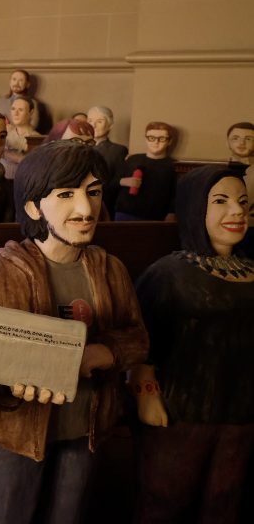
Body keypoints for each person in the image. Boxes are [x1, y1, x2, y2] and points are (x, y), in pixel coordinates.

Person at [0, 140, 148, 524]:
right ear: (32, 206)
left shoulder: (110, 270)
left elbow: (137, 337)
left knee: (67, 515)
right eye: (66, 194)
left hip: (83, 429)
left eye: (93, 192)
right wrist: (9, 377)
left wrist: (99, 354)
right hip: (14, 430)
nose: (85, 208)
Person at [131, 165, 253, 524]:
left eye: (243, 202)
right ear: (195, 208)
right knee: (165, 496)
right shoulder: (168, 274)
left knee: (225, 498)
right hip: (180, 413)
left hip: (241, 414)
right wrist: (146, 393)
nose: (237, 212)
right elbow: (141, 343)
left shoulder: (250, 271)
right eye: (221, 201)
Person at [115, 121, 177, 221]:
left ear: (169, 141)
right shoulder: (132, 160)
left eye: (162, 139)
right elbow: (111, 183)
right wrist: (123, 181)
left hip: (154, 217)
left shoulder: (171, 166)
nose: (156, 142)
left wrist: (171, 213)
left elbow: (175, 195)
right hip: (125, 212)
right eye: (151, 138)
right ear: (146, 139)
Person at [87, 106, 128, 216]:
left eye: (99, 121)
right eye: (90, 121)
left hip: (104, 203)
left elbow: (115, 182)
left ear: (110, 125)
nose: (93, 125)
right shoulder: (77, 147)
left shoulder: (118, 150)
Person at [2, 96, 40, 179]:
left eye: (21, 110)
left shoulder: (37, 139)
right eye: (13, 109)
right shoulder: (4, 133)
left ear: (31, 112)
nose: (16, 113)